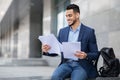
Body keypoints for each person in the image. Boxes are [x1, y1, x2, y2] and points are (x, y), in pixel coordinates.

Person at [42, 4, 99, 80]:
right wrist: (47, 51)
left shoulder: (89, 32)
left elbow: (95, 54)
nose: (68, 18)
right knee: (55, 77)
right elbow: (57, 50)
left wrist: (86, 55)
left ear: (77, 15)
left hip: (81, 65)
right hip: (66, 64)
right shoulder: (62, 32)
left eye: (70, 15)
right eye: (66, 16)